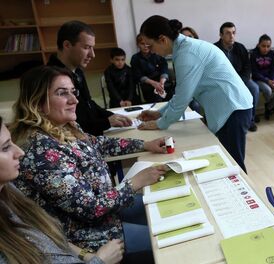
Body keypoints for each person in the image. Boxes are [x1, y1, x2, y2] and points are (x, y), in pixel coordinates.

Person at [10, 66, 169, 263]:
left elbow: (98, 143)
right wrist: (135, 183)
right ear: (37, 101)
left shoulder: (64, 125)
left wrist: (144, 144)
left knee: (166, 205)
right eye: (62, 93)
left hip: (108, 212)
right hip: (91, 238)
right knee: (166, 239)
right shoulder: (40, 151)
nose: (74, 100)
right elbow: (90, 209)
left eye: (73, 92)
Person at [0, 115, 124, 264]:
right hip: (93, 235)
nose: (20, 152)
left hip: (92, 242)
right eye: (6, 147)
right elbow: (92, 208)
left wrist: (87, 256)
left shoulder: (9, 191)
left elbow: (50, 237)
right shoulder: (40, 148)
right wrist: (100, 260)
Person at [137, 16, 253, 173]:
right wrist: (159, 113)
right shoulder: (184, 49)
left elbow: (183, 98)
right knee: (228, 162)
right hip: (230, 109)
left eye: (150, 46)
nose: (150, 51)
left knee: (234, 166)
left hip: (233, 109)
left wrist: (160, 123)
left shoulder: (187, 54)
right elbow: (183, 94)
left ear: (163, 39)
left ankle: (244, 196)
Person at [47, 20, 131, 137]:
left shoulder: (78, 71)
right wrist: (106, 122)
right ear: (67, 45)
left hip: (94, 136)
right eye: (87, 47)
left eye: (92, 48)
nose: (92, 54)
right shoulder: (53, 78)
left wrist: (110, 115)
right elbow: (71, 124)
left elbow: (88, 103)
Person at [214, 22, 260, 132]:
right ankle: (222, 121)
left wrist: (241, 81)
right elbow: (213, 70)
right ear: (221, 35)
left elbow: (247, 67)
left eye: (233, 33)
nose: (232, 36)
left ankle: (250, 120)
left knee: (254, 88)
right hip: (222, 81)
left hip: (240, 79)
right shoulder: (214, 49)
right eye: (228, 33)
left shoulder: (240, 47)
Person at [251, 34, 274, 121]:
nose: (266, 49)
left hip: (271, 77)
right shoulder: (253, 54)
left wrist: (273, 79)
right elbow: (255, 73)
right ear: (258, 45)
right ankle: (271, 107)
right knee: (268, 90)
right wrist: (267, 81)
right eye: (263, 46)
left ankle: (269, 107)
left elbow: (273, 70)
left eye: (268, 46)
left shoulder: (272, 54)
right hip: (259, 79)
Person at [130, 34, 173, 103]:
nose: (145, 46)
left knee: (173, 97)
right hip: (148, 86)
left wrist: (161, 83)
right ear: (138, 45)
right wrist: (154, 83)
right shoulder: (135, 58)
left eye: (147, 44)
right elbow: (138, 75)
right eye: (142, 44)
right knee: (157, 100)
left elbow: (164, 68)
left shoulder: (157, 53)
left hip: (163, 84)